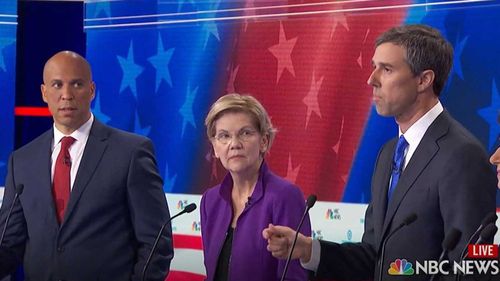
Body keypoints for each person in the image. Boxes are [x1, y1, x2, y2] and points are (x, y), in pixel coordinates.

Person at [263, 24, 497, 281]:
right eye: (374, 66)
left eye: (386, 69)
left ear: (423, 80)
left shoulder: (462, 156)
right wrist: (309, 250)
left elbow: (475, 268)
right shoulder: (388, 155)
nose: (371, 79)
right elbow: (375, 256)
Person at [0, 51, 173, 281]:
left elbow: (156, 241)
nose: (66, 95)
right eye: (57, 85)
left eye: (76, 84)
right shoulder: (21, 161)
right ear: (44, 93)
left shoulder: (131, 152)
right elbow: (9, 244)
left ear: (91, 90)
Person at [201, 94, 311, 281]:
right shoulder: (210, 201)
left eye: (245, 133)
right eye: (224, 136)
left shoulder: (284, 196)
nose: (234, 144)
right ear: (215, 148)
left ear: (264, 141)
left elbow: (295, 276)